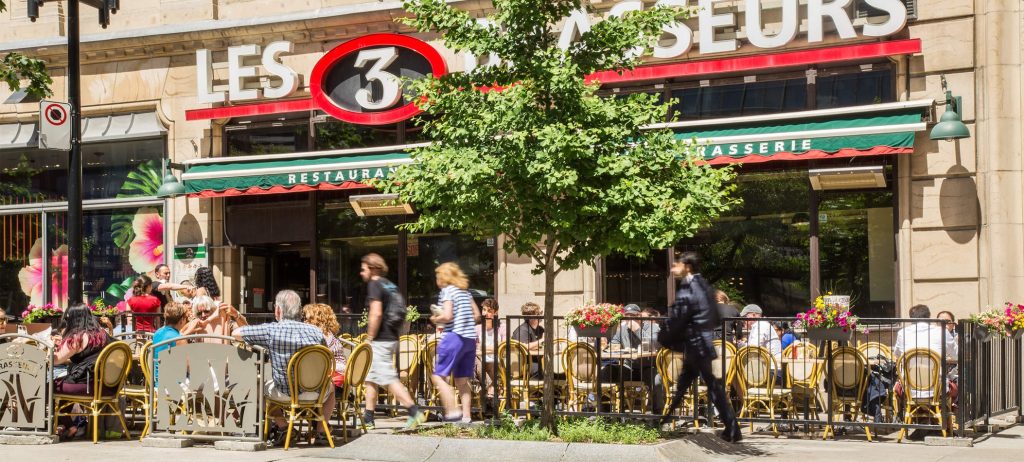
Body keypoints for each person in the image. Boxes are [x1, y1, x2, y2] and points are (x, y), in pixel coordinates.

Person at [232, 290, 334, 445]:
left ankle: (283, 426)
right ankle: (321, 431)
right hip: (314, 393)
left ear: (278, 310)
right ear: (299, 310)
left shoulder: (271, 330)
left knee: (259, 385)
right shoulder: (316, 331)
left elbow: (236, 333)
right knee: (331, 386)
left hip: (284, 392)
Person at [660, 251, 741, 443]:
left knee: (704, 388)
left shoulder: (691, 287)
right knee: (703, 387)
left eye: (677, 264)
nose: (673, 268)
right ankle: (732, 429)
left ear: (687, 267)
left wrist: (665, 336)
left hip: (696, 346)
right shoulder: (703, 285)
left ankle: (662, 422)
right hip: (701, 345)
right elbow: (713, 316)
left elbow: (680, 318)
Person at [359, 253, 424, 430]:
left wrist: (370, 337)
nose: (361, 272)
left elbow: (376, 312)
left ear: (372, 269)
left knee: (387, 377)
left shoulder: (374, 284)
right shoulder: (390, 285)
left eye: (363, 268)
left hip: (380, 338)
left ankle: (413, 411)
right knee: (371, 377)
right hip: (392, 336)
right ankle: (368, 418)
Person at [430, 262, 481, 423]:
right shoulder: (466, 293)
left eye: (438, 276)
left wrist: (435, 318)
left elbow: (447, 316)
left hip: (454, 337)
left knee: (438, 376)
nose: (437, 279)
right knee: (462, 380)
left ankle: (452, 410)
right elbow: (477, 315)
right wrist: (464, 321)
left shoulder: (447, 291)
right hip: (469, 339)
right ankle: (466, 416)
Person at [893, 304, 958, 397]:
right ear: (929, 316)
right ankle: (950, 409)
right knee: (956, 386)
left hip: (910, 389)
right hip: (938, 389)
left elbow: (897, 355)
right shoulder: (942, 331)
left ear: (911, 318)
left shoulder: (902, 333)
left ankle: (905, 409)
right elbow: (956, 355)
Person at [304, 303, 348, 387]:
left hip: (333, 378)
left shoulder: (320, 336)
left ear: (317, 319)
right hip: (340, 375)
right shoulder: (329, 334)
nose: (304, 322)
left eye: (308, 319)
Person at [475, 298, 506, 401]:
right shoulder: (477, 328)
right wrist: (493, 348)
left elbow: (503, 347)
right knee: (473, 361)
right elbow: (473, 348)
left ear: (495, 313)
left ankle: (482, 397)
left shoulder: (501, 328)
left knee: (486, 362)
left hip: (497, 361)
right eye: (484, 310)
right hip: (480, 360)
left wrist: (482, 348)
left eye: (489, 311)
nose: (486, 313)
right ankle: (491, 388)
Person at [511, 302, 544, 379]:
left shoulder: (540, 329)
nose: (542, 315)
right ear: (531, 316)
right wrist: (541, 340)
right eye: (539, 313)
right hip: (522, 363)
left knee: (558, 371)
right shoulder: (522, 330)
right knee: (541, 370)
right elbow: (524, 346)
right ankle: (535, 391)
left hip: (535, 360)